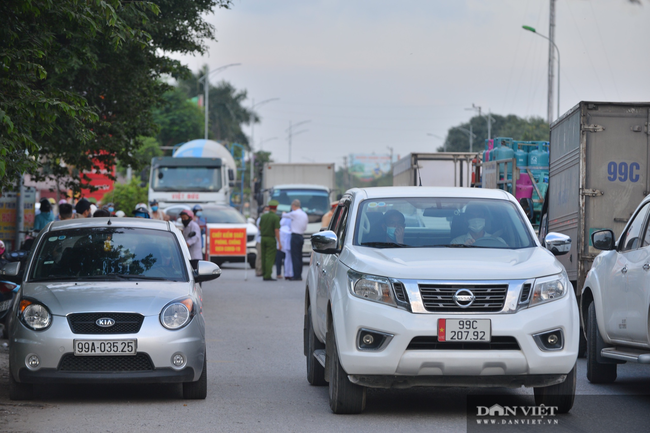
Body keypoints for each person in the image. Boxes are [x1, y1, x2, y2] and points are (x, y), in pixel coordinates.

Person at [282, 199, 308, 281]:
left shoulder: (294, 213)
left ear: (293, 206)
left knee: (295, 257)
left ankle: (296, 275)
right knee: (299, 257)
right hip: (301, 236)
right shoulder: (304, 214)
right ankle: (298, 274)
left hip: (295, 236)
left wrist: (283, 212)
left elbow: (284, 215)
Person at [259, 200, 281, 281]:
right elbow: (276, 230)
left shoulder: (263, 216)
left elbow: (259, 227)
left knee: (263, 256)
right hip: (271, 239)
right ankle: (268, 275)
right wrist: (279, 242)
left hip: (263, 238)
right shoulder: (275, 217)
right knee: (270, 257)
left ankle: (264, 273)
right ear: (276, 208)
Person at [255, 206, 269, 277]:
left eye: (268, 210)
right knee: (260, 256)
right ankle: (258, 270)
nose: (266, 211)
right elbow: (260, 228)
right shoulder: (260, 219)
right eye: (265, 210)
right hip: (260, 240)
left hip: (266, 239)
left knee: (266, 256)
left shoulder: (269, 218)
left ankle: (264, 270)